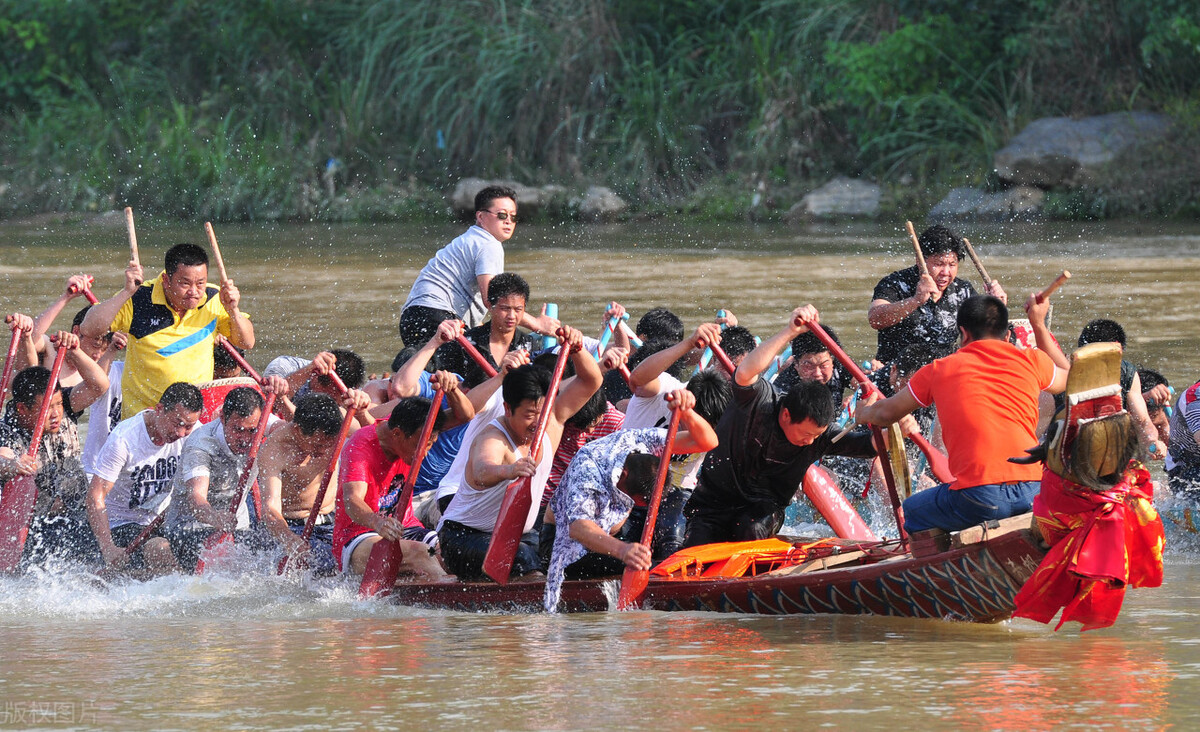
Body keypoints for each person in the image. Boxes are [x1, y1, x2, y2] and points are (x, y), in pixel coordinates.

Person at [855, 295, 1067, 533]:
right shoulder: (1032, 360)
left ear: (963, 334)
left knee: (912, 511)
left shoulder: (939, 369)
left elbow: (885, 414)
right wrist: (1038, 324)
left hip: (981, 497)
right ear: (1007, 336)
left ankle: (945, 568)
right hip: (1035, 490)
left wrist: (863, 413)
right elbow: (1071, 375)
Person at [682, 307, 881, 547]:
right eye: (806, 434)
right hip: (712, 504)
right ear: (786, 415)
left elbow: (869, 445)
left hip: (761, 511)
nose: (810, 441)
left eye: (815, 436)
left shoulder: (819, 435)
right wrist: (790, 331)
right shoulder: (760, 401)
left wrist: (892, 423)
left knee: (750, 527)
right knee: (694, 545)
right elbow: (745, 372)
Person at [438, 326, 602, 581]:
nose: (538, 422)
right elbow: (482, 471)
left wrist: (578, 350)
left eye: (541, 412)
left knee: (572, 556)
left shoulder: (553, 419)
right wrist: (509, 470)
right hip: (462, 537)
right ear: (507, 408)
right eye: (528, 414)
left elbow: (592, 381)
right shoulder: (492, 437)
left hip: (520, 535)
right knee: (525, 560)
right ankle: (542, 616)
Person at [544, 389, 719, 611]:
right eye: (638, 501)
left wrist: (687, 413)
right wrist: (623, 551)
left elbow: (707, 441)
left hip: (611, 529)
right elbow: (578, 529)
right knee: (648, 565)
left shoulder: (641, 440)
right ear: (623, 475)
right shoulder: (588, 468)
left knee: (665, 545)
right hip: (568, 546)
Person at [80, 243, 255, 418]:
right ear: (166, 280)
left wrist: (233, 310)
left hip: (192, 421)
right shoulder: (139, 298)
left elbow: (246, 342)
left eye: (200, 283)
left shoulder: (215, 298)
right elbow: (89, 328)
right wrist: (126, 292)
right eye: (184, 283)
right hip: (144, 420)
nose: (193, 292)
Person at [333, 378, 472, 579]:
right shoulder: (360, 447)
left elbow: (465, 416)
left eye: (430, 444)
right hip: (359, 536)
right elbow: (352, 500)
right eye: (420, 445)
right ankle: (449, 593)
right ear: (397, 434)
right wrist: (378, 522)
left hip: (405, 527)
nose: (423, 454)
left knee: (449, 553)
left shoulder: (413, 427)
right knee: (420, 553)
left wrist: (452, 391)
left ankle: (435, 582)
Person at [0, 332, 109, 565]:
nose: (56, 413)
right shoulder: (6, 429)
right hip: (34, 529)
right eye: (47, 408)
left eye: (58, 404)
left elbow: (99, 385)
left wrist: (75, 351)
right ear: (22, 409)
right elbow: (2, 459)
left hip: (79, 517)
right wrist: (14, 465)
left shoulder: (67, 405)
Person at [399, 185, 558, 346]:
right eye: (502, 215)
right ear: (481, 217)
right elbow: (495, 300)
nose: (508, 221)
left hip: (412, 318)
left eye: (513, 217)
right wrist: (537, 324)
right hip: (437, 318)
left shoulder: (470, 239)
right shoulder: (489, 244)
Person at [162, 384, 286, 572]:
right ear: (222, 418)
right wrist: (216, 517)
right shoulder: (200, 445)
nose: (245, 439)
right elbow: (197, 500)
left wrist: (284, 399)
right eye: (238, 429)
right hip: (190, 529)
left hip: (238, 529)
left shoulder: (261, 421)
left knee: (276, 556)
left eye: (251, 431)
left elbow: (296, 435)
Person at [86, 382, 204, 573]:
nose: (181, 433)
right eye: (177, 424)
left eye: (188, 427)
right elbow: (94, 496)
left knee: (199, 547)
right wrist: (108, 548)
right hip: (121, 523)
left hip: (164, 520)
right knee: (158, 549)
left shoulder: (196, 433)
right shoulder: (123, 440)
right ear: (159, 409)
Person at [867, 224, 1006, 364]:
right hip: (897, 374)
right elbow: (875, 319)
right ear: (919, 260)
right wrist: (915, 300)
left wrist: (995, 308)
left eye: (952, 265)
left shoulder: (963, 290)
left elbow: (983, 335)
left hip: (942, 372)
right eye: (939, 264)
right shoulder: (895, 283)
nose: (946, 272)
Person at [259, 393, 365, 574]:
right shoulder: (274, 449)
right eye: (317, 445)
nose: (324, 451)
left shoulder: (341, 418)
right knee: (327, 564)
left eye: (329, 445)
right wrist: (289, 539)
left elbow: (374, 433)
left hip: (333, 522)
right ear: (297, 430)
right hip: (294, 526)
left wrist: (362, 409)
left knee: (365, 554)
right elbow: (270, 509)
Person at [434, 273, 541, 388]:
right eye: (505, 308)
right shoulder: (464, 344)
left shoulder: (530, 346)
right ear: (490, 306)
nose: (512, 316)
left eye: (518, 309)